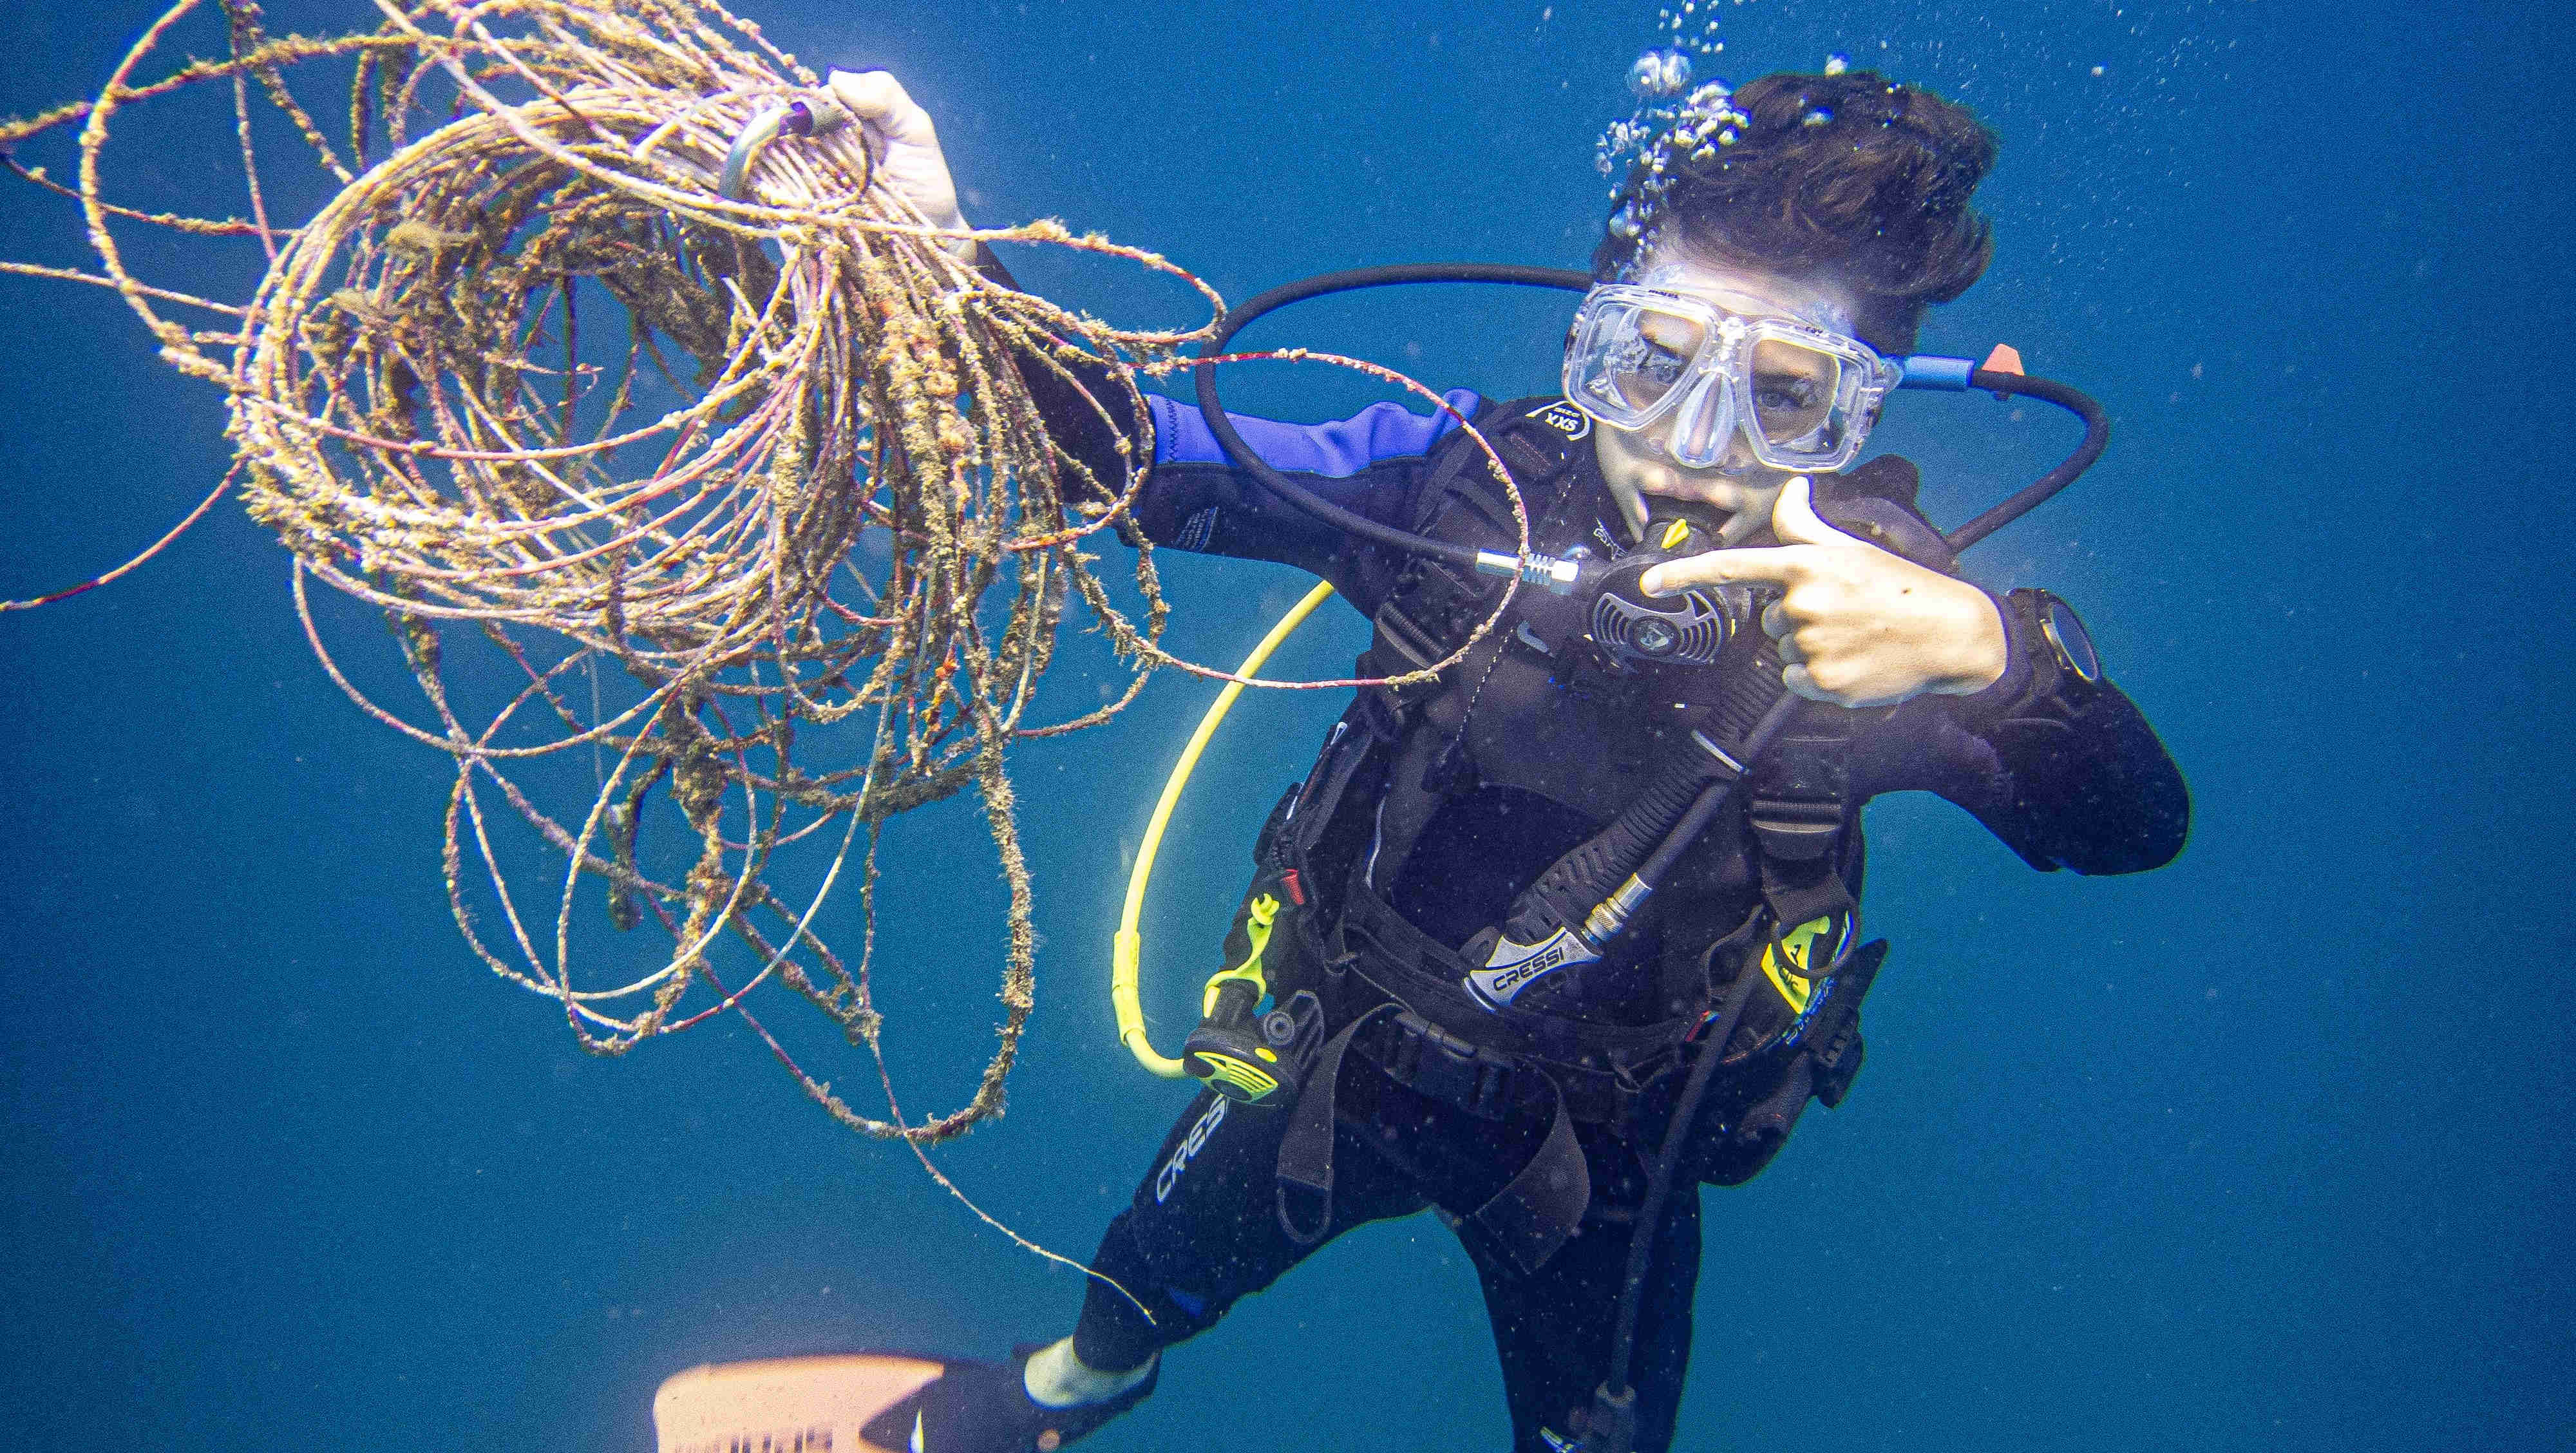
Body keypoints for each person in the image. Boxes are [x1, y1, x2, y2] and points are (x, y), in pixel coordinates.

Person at [822, 66, 2189, 1453]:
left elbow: (2129, 826)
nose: (1690, 448)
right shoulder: (1459, 485)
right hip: (1331, 1054)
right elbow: (1119, 457)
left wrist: (1999, 663)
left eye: (1783, 397)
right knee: (1129, 1288)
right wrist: (939, 259)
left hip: (1605, 1161)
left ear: (1868, 406)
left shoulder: (1876, 625)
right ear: (1587, 337)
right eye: (1650, 362)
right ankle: (1076, 1387)